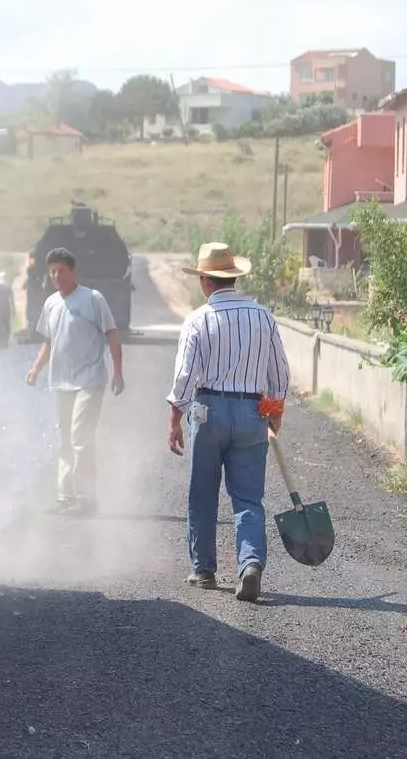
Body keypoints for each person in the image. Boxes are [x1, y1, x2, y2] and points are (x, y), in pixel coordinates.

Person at [165, 241, 290, 602]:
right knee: (249, 497)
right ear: (233, 278)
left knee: (202, 493)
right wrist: (275, 412)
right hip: (252, 412)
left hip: (208, 413)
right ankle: (250, 562)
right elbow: (279, 372)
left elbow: (185, 378)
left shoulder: (197, 320)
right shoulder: (263, 317)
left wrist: (175, 417)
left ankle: (203, 570)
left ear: (205, 280)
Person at [25, 247, 124, 514]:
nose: (56, 275)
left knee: (81, 437)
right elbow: (48, 341)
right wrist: (36, 369)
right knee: (65, 440)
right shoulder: (51, 303)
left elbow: (112, 335)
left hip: (90, 380)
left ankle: (87, 498)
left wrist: (118, 371)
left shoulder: (93, 299)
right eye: (52, 271)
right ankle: (64, 497)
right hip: (61, 381)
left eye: (61, 270)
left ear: (73, 271)